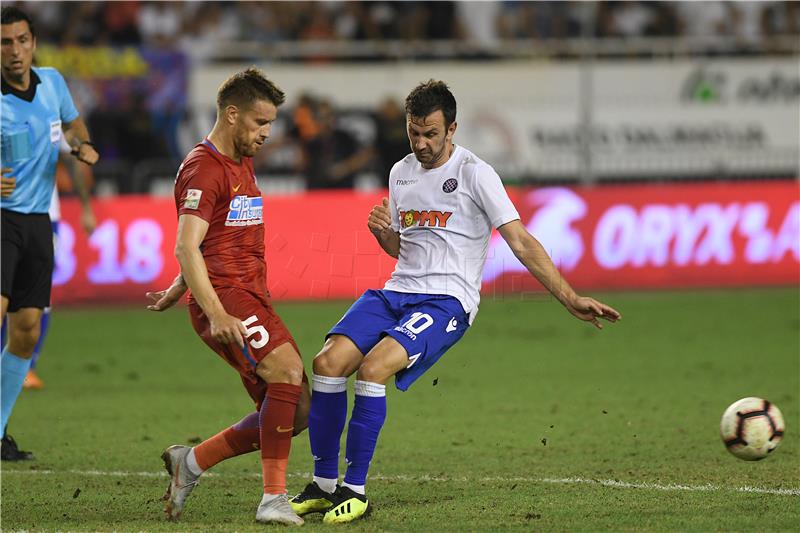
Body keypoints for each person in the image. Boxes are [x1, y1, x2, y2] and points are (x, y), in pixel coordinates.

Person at [289, 80, 621, 523]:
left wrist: (568, 296)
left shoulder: (475, 174)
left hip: (446, 301)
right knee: (327, 364)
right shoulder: (400, 172)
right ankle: (323, 484)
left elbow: (519, 240)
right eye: (414, 133)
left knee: (373, 369)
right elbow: (405, 249)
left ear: (452, 129)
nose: (422, 144)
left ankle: (356, 490)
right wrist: (384, 235)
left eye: (431, 134)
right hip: (397, 290)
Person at [146, 68, 310, 526]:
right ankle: (273, 499)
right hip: (228, 299)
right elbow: (185, 244)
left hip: (250, 293)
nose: (266, 134)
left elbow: (211, 240)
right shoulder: (205, 168)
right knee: (287, 371)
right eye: (260, 123)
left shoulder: (240, 158)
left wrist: (179, 287)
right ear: (232, 114)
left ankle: (191, 462)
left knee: (297, 410)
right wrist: (213, 310)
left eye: (270, 124)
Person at [1, 6, 99, 461]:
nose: (15, 51)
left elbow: (74, 122)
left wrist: (82, 144)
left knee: (25, 330)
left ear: (33, 43)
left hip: (39, 222)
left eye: (22, 40)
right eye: (5, 43)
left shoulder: (53, 82)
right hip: (0, 220)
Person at [1, 142, 97, 391]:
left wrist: (86, 208)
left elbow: (72, 157)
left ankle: (26, 366)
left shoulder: (53, 106)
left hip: (44, 216)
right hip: (6, 214)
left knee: (36, 299)